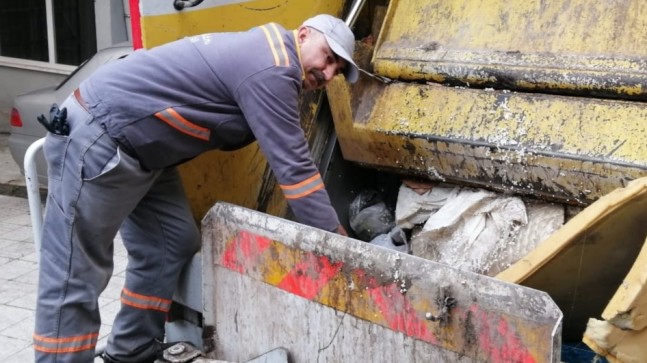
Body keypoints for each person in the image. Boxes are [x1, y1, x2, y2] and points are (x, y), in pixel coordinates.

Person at [33, 14, 359, 363]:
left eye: (336, 70)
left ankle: (132, 349)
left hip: (146, 151)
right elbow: (296, 171)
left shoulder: (270, 55)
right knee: (75, 272)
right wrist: (338, 243)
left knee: (171, 241)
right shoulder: (275, 68)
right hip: (101, 135)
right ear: (304, 34)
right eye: (327, 57)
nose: (327, 74)